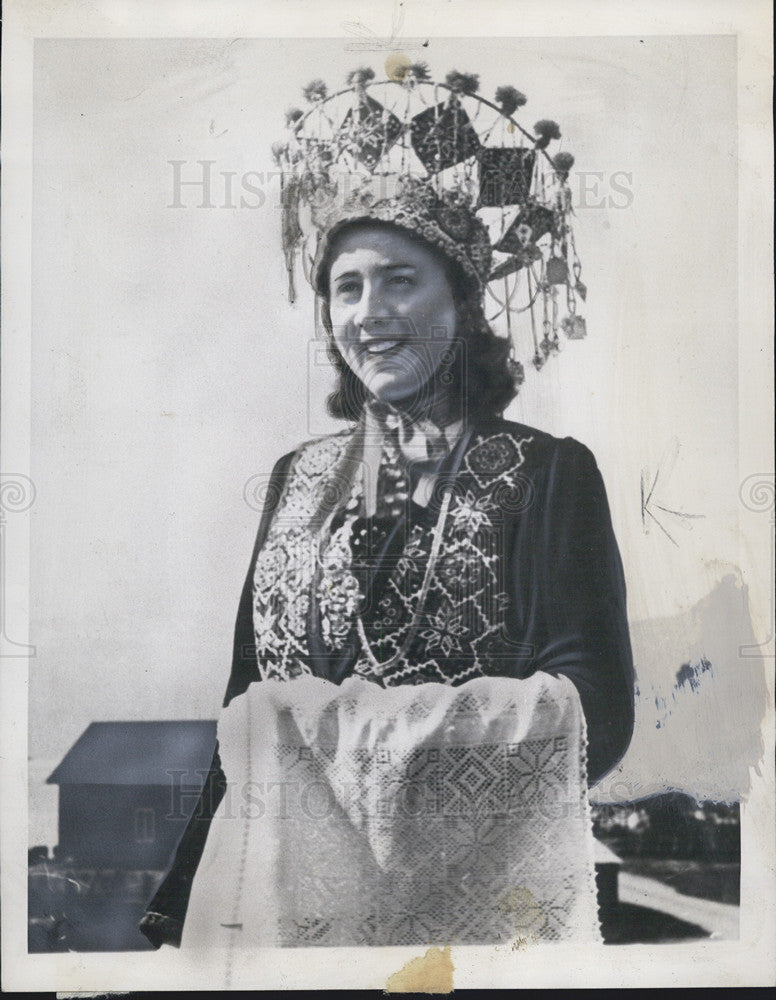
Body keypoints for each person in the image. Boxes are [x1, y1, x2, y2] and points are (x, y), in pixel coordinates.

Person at [139, 65, 634, 950]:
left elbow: (599, 709)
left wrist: (370, 745)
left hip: (472, 913)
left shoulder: (546, 475)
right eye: (347, 287)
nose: (370, 314)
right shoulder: (296, 478)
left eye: (400, 280)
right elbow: (248, 707)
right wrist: (179, 906)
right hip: (285, 910)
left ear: (461, 299)